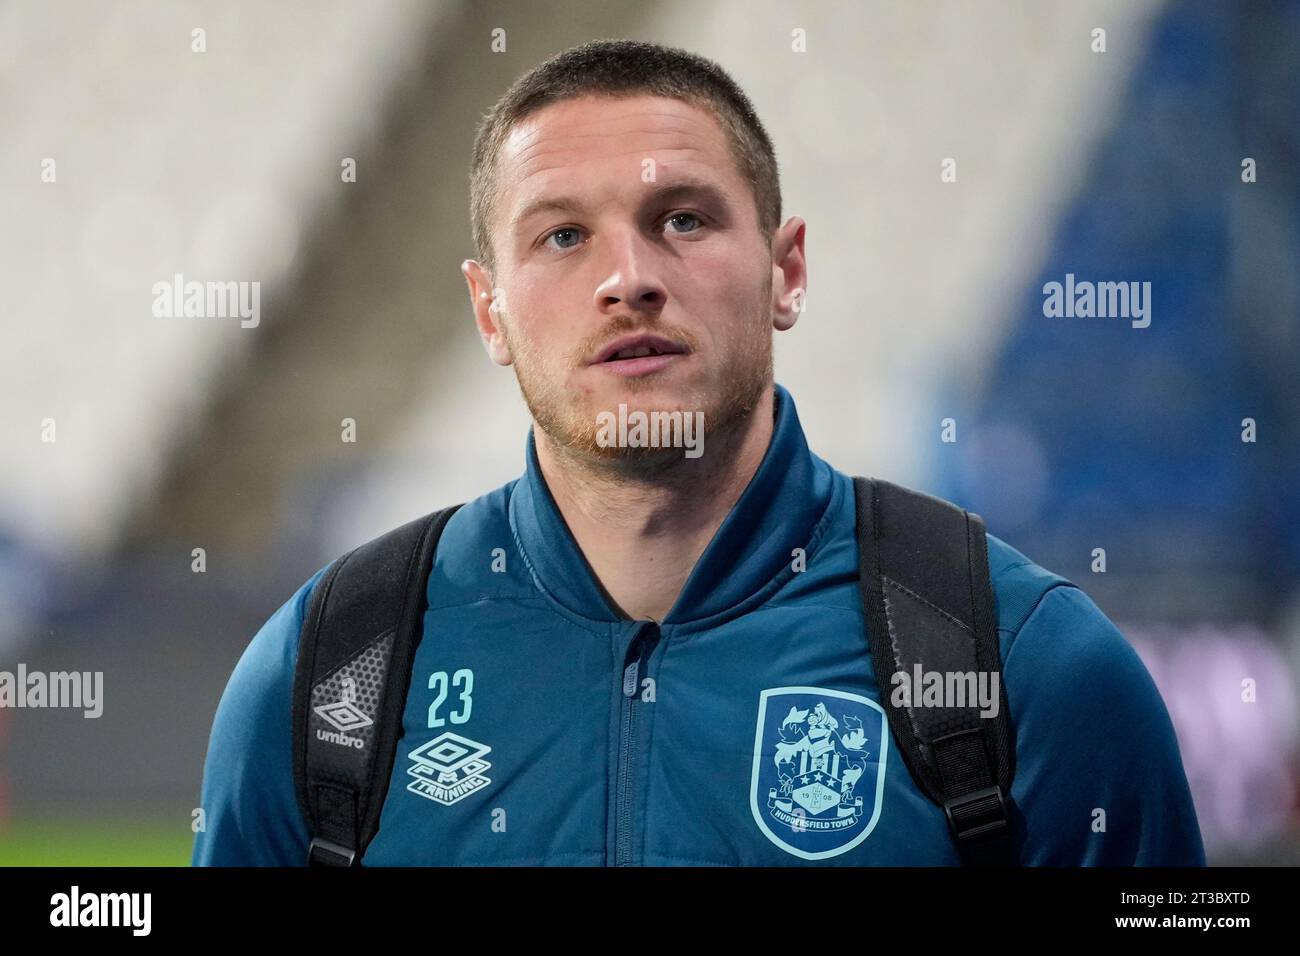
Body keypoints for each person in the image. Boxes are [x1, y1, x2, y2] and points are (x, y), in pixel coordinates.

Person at [193, 39, 1204, 866]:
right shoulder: (326, 674)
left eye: (681, 219)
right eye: (560, 237)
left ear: (786, 271)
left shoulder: (1026, 665)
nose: (627, 277)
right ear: (488, 311)